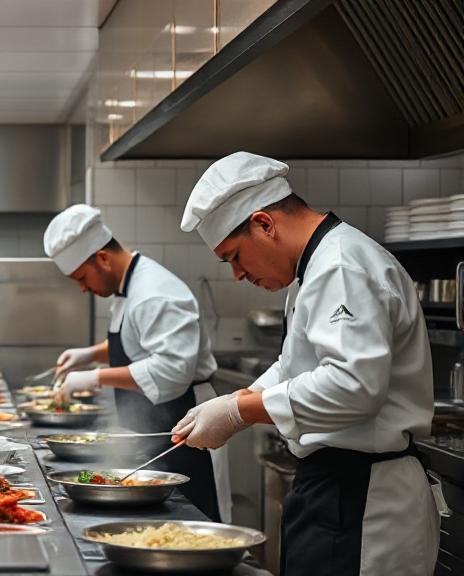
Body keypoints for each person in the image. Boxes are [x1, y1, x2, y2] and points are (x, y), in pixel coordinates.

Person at [174, 151, 442, 575]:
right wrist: (239, 398)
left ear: (264, 224)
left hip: (363, 501)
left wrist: (240, 411)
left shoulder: (341, 265)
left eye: (234, 256)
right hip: (335, 491)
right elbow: (295, 364)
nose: (237, 274)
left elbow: (352, 386)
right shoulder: (316, 266)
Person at [46, 204, 227, 521]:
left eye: (82, 278)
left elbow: (171, 371)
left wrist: (95, 377)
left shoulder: (156, 293)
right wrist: (91, 354)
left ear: (102, 258)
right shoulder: (127, 287)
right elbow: (136, 342)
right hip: (156, 428)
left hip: (187, 428)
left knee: (189, 520)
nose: (83, 288)